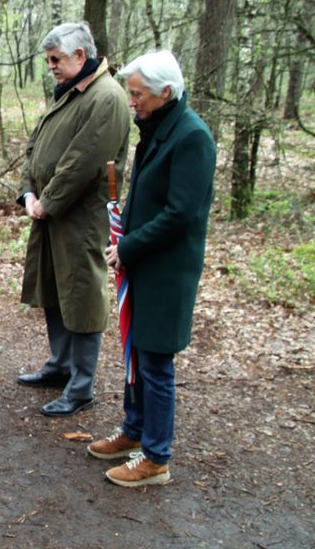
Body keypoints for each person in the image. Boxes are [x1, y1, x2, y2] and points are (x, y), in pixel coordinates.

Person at [88, 50, 217, 487]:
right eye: (131, 92)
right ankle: (134, 430)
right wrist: (124, 229)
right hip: (142, 261)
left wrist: (131, 247)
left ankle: (156, 457)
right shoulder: (157, 128)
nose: (132, 101)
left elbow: (182, 213)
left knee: (156, 361)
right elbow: (149, 196)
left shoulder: (192, 137)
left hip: (167, 270)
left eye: (138, 93)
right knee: (136, 353)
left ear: (166, 92)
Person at [16, 22, 131, 417]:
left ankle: (81, 386)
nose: (51, 66)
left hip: (80, 218)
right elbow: (35, 149)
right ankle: (60, 366)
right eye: (48, 60)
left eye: (56, 59)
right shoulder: (68, 92)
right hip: (49, 212)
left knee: (81, 295)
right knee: (53, 289)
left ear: (81, 56)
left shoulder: (106, 98)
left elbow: (83, 161)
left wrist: (48, 201)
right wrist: (28, 192)